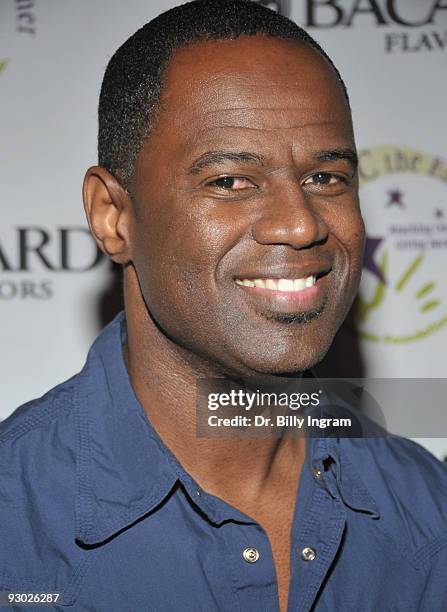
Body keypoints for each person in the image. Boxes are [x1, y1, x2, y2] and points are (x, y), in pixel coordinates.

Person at [1, 1, 447, 611]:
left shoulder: (427, 509)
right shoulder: (14, 519)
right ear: (113, 217)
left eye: (326, 178)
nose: (299, 225)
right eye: (230, 181)